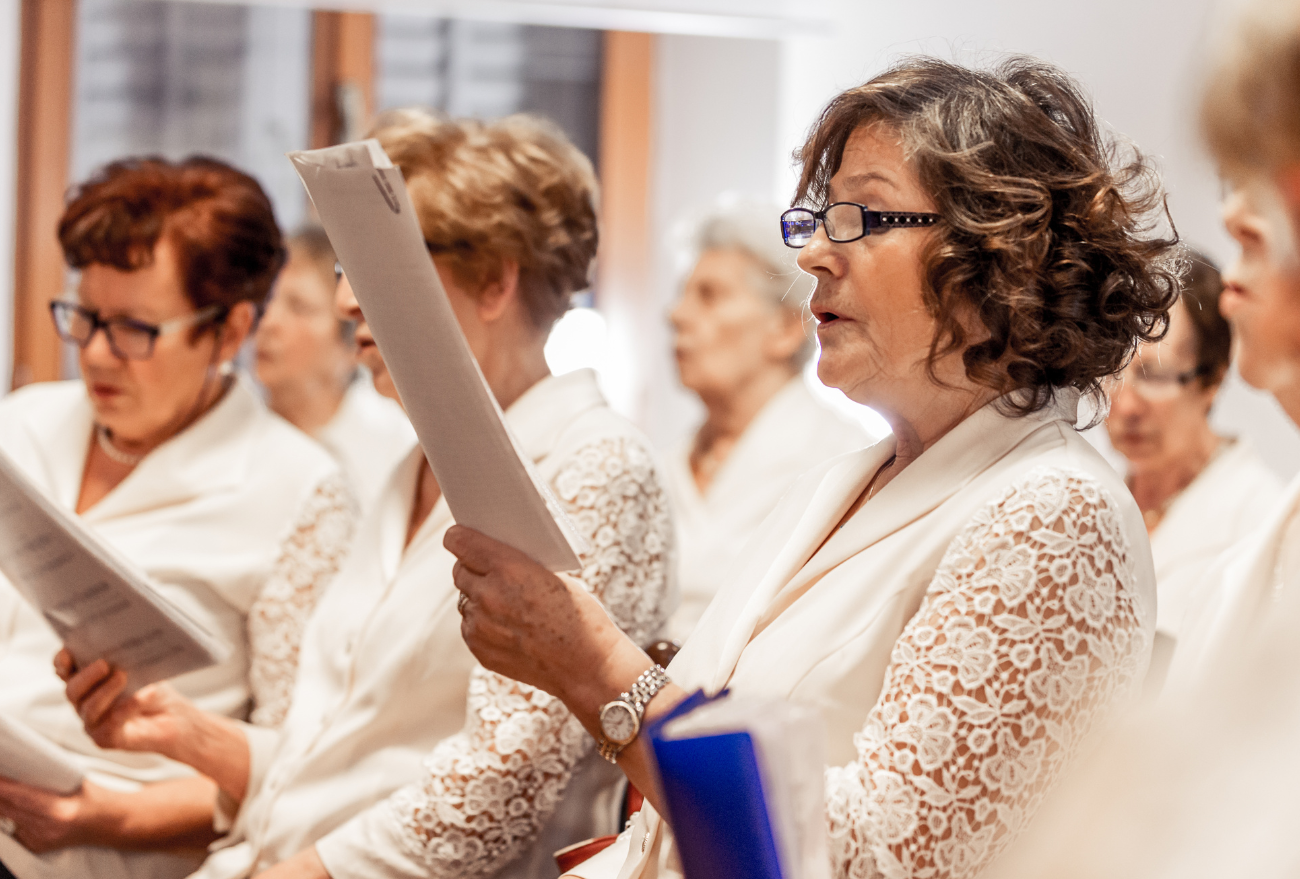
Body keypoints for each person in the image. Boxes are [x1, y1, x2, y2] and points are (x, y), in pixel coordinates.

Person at [444, 56, 1176, 879]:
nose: (816, 254)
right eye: (822, 218)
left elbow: (874, 855)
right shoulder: (840, 482)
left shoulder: (1055, 517)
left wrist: (594, 667)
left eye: (862, 215)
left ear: (998, 257)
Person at [61, 110, 675, 879]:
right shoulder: (412, 465)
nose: (346, 301)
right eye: (344, 267)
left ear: (494, 280)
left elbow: (497, 789)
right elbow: (348, 758)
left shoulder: (595, 464)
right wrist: (188, 733)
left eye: (379, 262)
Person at [0, 157, 354, 879]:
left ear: (230, 331)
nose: (97, 354)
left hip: (92, 851)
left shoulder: (299, 492)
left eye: (134, 328)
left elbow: (301, 771)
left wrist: (108, 817)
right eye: (85, 317)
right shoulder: (24, 427)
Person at [664, 202, 869, 643]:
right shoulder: (667, 461)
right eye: (683, 294)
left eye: (709, 296)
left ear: (785, 328)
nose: (676, 315)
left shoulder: (843, 464)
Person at [1105, 250, 1281, 643]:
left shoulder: (1260, 519)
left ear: (1212, 380)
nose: (1126, 405)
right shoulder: (1096, 494)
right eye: (1111, 371)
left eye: (1155, 375)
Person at [255, 227, 415, 512]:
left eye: (299, 307)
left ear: (352, 344)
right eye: (266, 300)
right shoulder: (231, 428)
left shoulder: (394, 444)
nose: (267, 322)